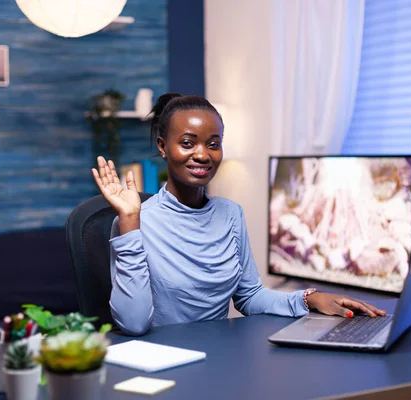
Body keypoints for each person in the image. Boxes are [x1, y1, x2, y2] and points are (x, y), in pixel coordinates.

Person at [91, 93, 386, 336]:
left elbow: (249, 297)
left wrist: (309, 299)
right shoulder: (134, 220)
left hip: (222, 357)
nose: (203, 154)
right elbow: (133, 323)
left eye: (213, 143)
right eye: (187, 143)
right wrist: (130, 221)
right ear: (163, 147)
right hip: (162, 364)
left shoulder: (230, 214)